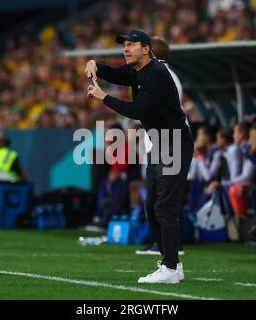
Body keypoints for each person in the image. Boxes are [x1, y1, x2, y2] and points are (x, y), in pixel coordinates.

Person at [85, 29, 193, 284]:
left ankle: (169, 266)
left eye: (131, 45)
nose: (126, 48)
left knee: (164, 208)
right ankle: (172, 264)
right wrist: (95, 65)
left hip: (175, 144)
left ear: (146, 49)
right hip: (161, 144)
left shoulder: (156, 73)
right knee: (151, 207)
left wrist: (104, 97)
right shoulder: (139, 70)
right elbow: (117, 73)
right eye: (125, 45)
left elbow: (137, 110)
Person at [135, 36, 186, 256]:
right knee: (155, 203)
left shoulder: (163, 75)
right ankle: (165, 247)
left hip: (169, 142)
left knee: (164, 203)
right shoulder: (158, 74)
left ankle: (171, 253)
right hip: (159, 142)